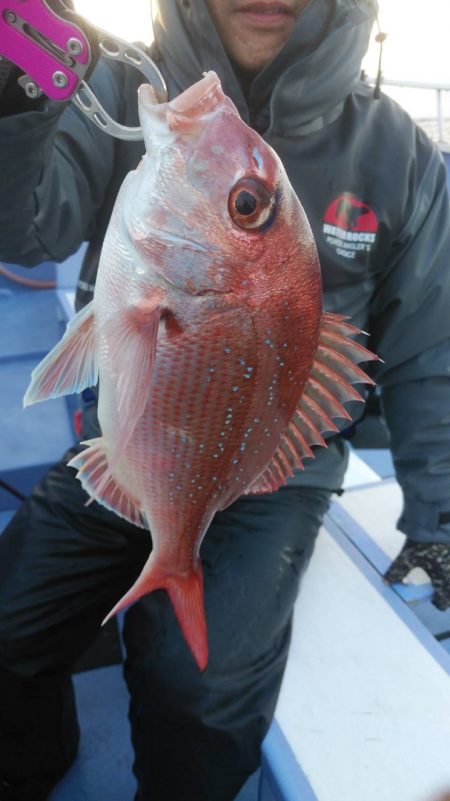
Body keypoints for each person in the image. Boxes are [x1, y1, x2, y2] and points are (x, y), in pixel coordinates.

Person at [1, 1, 449, 799]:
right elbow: (26, 227)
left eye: (245, 205)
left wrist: (441, 525)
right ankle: (32, 761)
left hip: (278, 467)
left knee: (201, 693)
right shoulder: (111, 83)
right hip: (129, 436)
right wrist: (15, 96)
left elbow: (430, 354)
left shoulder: (403, 157)